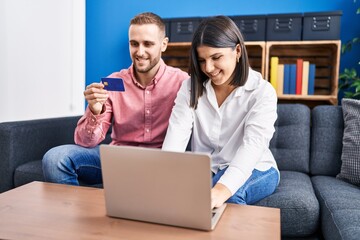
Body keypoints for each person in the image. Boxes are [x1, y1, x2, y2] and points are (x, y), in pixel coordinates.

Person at [42, 12, 189, 186]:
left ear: (163, 44)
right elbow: (84, 142)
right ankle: (78, 211)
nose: (140, 52)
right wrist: (96, 111)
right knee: (55, 159)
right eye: (134, 44)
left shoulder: (182, 82)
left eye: (148, 44)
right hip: (118, 159)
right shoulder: (113, 82)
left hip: (162, 162)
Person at [162, 15, 279, 209]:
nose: (208, 68)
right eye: (202, 60)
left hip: (257, 167)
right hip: (209, 169)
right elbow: (176, 136)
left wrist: (220, 190)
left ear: (238, 51)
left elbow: (252, 148)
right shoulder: (190, 88)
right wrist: (162, 179)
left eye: (216, 58)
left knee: (227, 197)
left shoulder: (262, 92)